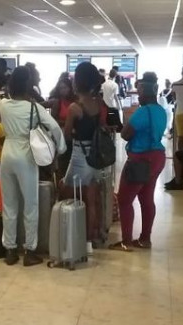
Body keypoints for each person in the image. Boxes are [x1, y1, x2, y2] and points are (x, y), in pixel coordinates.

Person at [0, 66, 66, 265]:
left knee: (9, 203)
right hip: (26, 154)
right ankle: (30, 251)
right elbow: (54, 127)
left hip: (7, 153)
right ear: (28, 85)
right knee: (30, 204)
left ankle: (10, 250)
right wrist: (61, 148)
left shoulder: (3, 104)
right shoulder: (34, 108)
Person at [109, 72, 167, 252]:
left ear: (146, 92)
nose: (138, 96)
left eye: (140, 92)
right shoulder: (161, 111)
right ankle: (145, 239)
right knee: (146, 198)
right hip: (158, 157)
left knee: (125, 200)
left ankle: (126, 241)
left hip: (140, 159)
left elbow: (126, 134)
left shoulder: (143, 111)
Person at [63, 62, 107, 244]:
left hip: (79, 155)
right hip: (96, 155)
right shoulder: (99, 103)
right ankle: (95, 234)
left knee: (68, 191)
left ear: (78, 81)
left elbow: (66, 135)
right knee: (93, 196)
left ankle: (81, 237)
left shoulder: (75, 108)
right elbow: (102, 126)